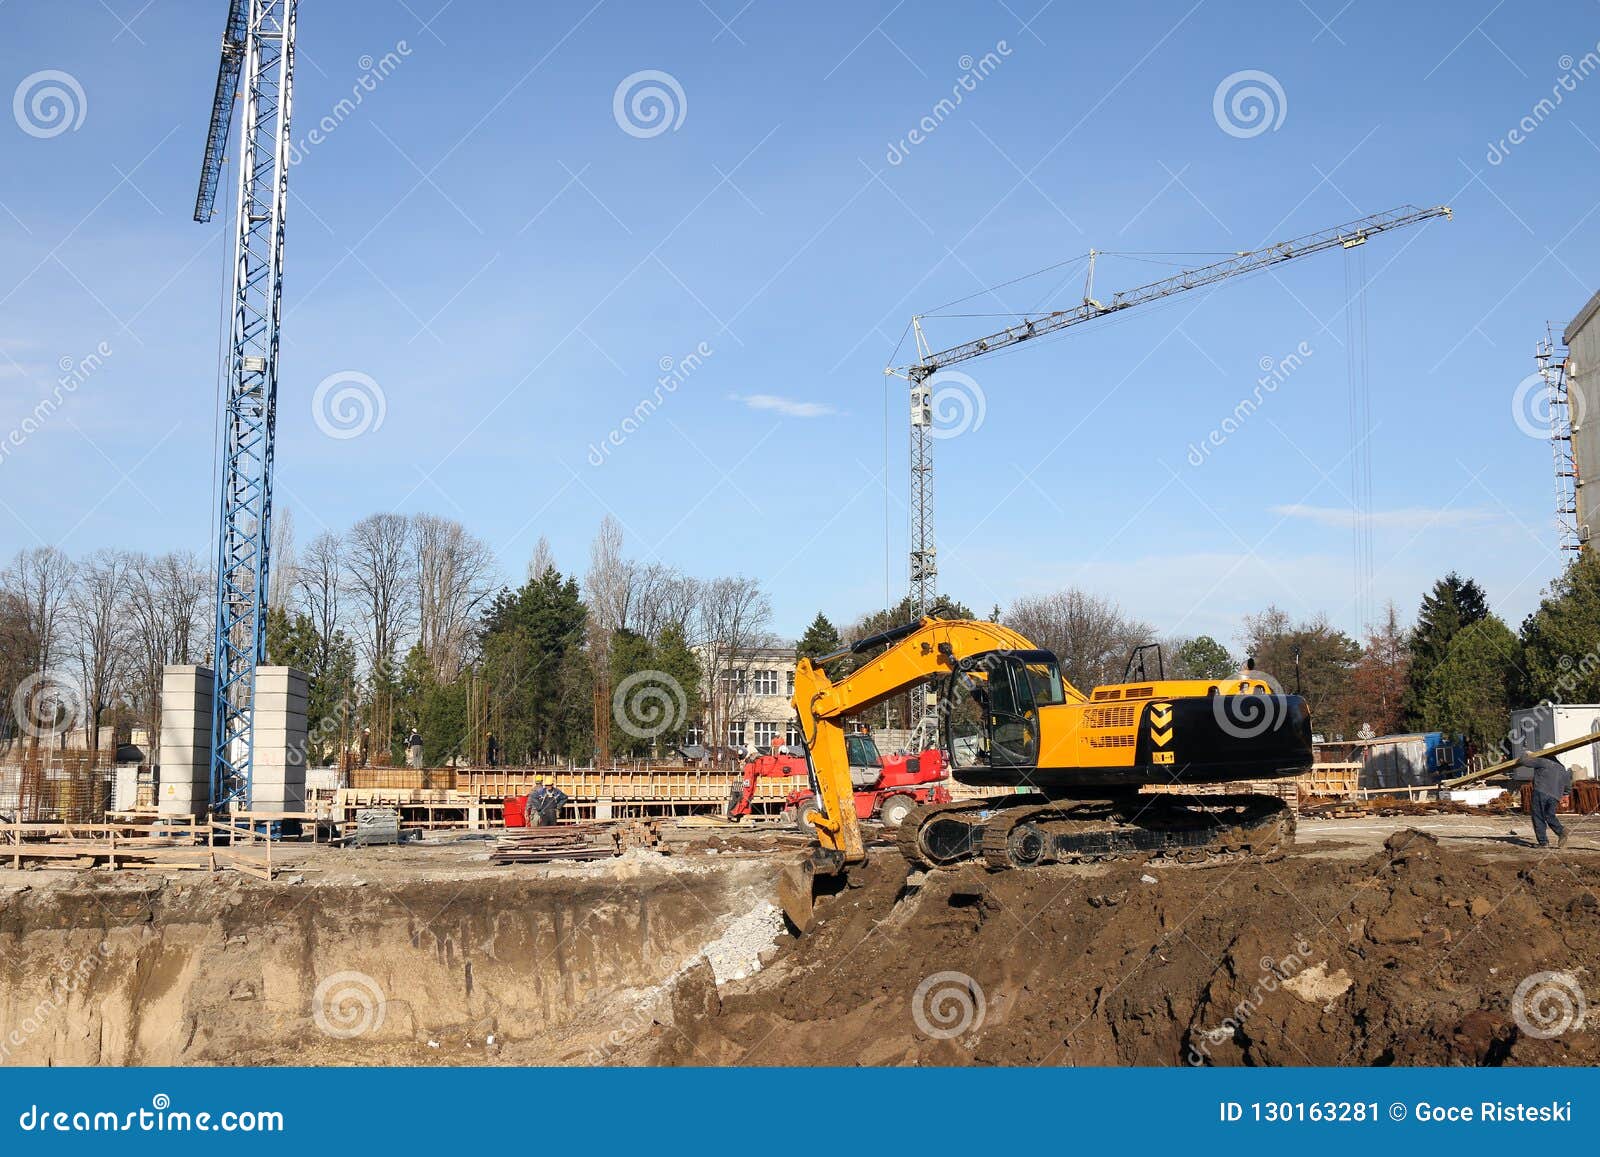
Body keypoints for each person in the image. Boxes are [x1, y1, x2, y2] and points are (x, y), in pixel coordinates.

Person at [1516, 743, 1571, 849]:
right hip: (1555, 795)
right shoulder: (1561, 767)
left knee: (1538, 816)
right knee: (1549, 815)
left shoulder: (1542, 761)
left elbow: (1523, 761)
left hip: (1541, 791)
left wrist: (1526, 754)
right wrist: (1565, 794)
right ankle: (1561, 830)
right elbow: (1567, 784)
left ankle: (1543, 842)